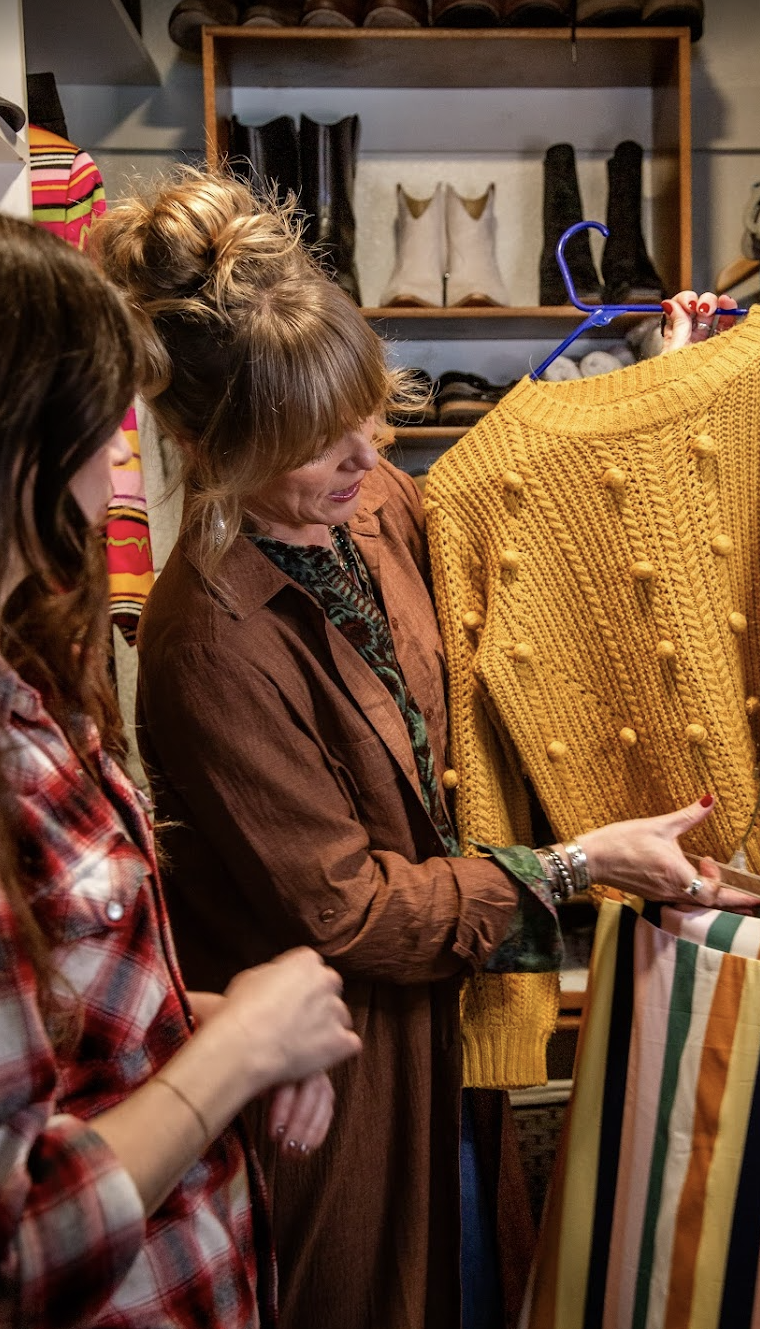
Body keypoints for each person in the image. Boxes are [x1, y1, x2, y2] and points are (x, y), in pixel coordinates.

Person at [92, 169, 756, 1329]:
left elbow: (523, 533)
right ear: (208, 443)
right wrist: (573, 865)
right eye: (322, 441)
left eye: (373, 408)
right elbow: (346, 913)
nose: (372, 452)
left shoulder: (367, 506)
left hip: (445, 1028)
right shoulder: (210, 640)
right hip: (340, 1079)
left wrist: (658, 384)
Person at [0, 213, 362, 1329]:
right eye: (96, 425)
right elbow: (17, 1254)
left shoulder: (32, 678)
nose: (121, 455)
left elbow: (68, 1029)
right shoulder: (204, 632)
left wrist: (211, 1035)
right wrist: (240, 1052)